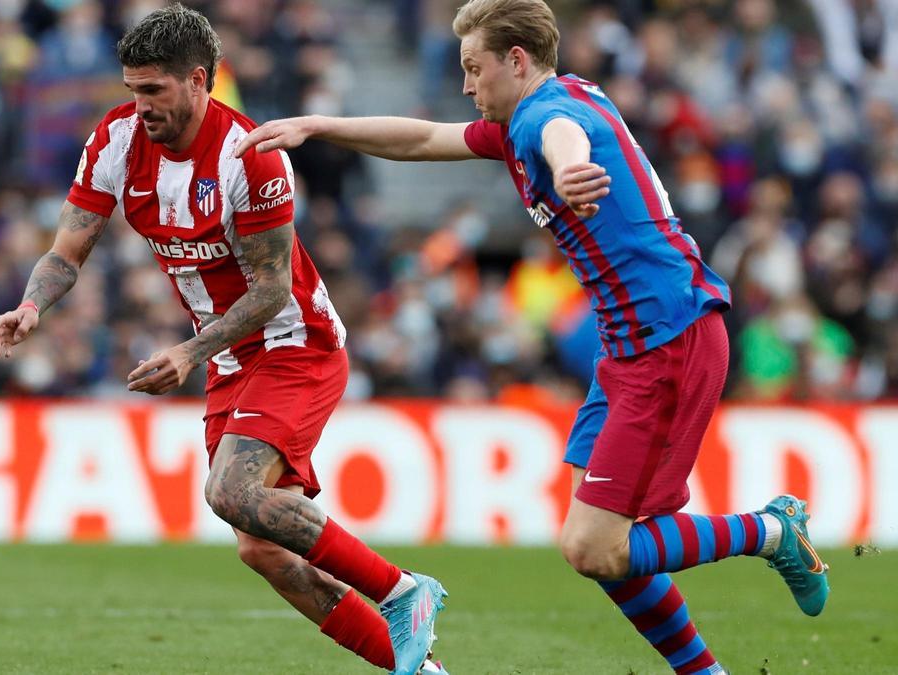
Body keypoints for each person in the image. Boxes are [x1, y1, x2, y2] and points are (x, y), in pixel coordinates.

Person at [235, 1, 830, 673]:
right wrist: (319, 126)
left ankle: (774, 529)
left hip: (670, 341)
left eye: (474, 69)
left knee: (596, 545)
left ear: (516, 61)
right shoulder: (539, 107)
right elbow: (424, 138)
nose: (466, 86)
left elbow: (564, 139)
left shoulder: (547, 118)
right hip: (631, 347)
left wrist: (571, 169)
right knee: (602, 543)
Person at [0, 6, 447, 675]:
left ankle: (404, 591)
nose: (138, 104)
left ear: (198, 80)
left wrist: (187, 353)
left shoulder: (250, 158)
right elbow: (69, 245)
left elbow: (272, 291)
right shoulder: (116, 141)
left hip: (295, 343)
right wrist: (31, 304)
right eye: (131, 89)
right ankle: (422, 672)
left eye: (154, 90)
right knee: (261, 549)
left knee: (229, 492)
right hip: (229, 356)